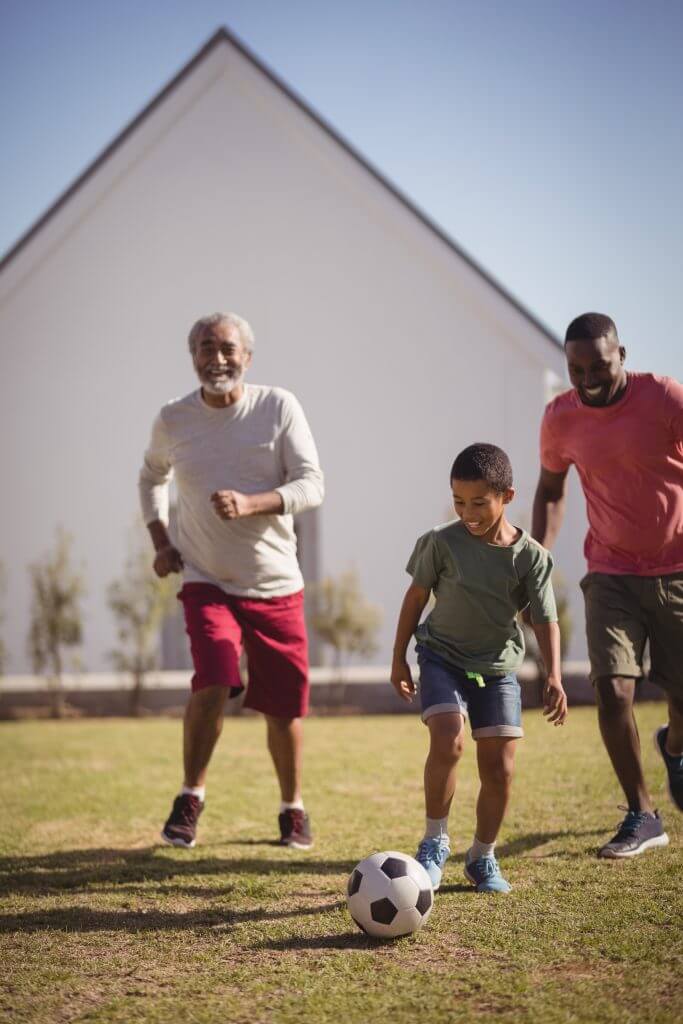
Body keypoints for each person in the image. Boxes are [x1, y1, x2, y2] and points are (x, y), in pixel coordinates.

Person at [139, 311, 324, 850]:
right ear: (192, 355)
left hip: (275, 582)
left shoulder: (278, 406)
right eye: (204, 348)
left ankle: (292, 809)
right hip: (206, 578)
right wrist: (160, 541)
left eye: (226, 349)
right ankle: (190, 796)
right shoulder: (174, 419)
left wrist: (253, 504)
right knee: (214, 677)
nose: (216, 358)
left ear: (247, 357)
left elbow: (312, 485)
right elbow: (152, 476)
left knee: (283, 708)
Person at [533, 311, 683, 859]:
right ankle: (642, 814)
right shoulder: (560, 418)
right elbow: (551, 489)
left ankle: (674, 745)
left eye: (599, 365)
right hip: (612, 570)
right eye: (576, 369)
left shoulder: (664, 397)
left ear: (622, 355)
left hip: (678, 568)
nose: (588, 378)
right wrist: (540, 556)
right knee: (612, 688)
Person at [391, 443, 567, 893]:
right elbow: (415, 600)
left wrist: (553, 676)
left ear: (507, 496)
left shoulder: (531, 558)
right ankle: (434, 843)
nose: (467, 512)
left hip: (497, 665)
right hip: (442, 655)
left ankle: (482, 857)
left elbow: (544, 619)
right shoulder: (440, 543)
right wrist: (398, 660)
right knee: (448, 740)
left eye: (478, 502)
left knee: (500, 768)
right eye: (458, 501)